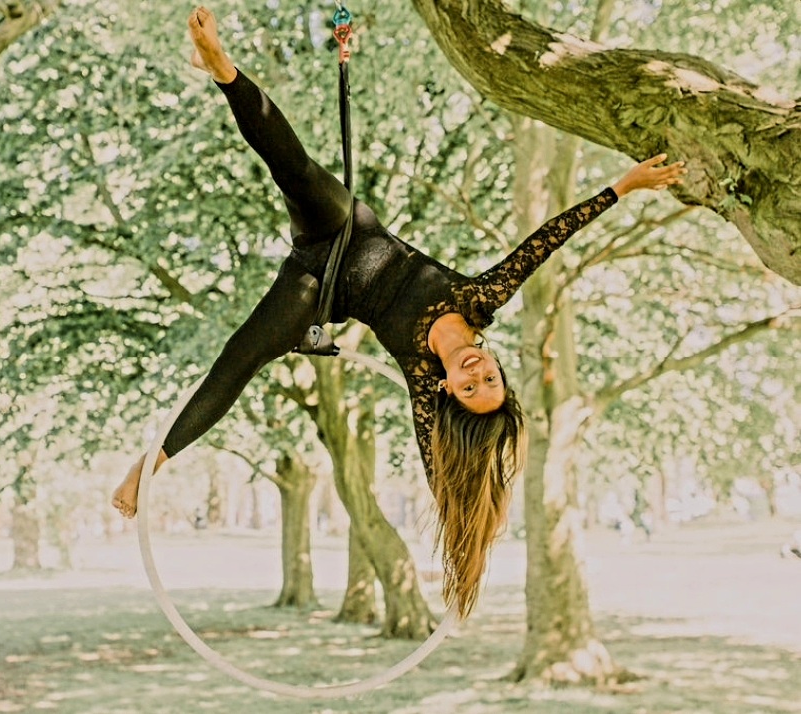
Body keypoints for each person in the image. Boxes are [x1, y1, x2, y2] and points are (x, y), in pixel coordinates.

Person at [112, 6, 687, 619]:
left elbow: (442, 477)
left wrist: (477, 526)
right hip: (346, 229)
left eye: (469, 389)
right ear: (494, 364)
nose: (475, 373)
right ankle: (224, 69)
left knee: (241, 355)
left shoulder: (421, 380)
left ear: (449, 389)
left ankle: (150, 465)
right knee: (299, 171)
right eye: (489, 377)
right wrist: (623, 188)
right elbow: (546, 240)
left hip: (318, 289)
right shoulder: (480, 299)